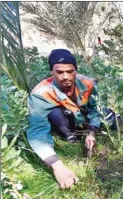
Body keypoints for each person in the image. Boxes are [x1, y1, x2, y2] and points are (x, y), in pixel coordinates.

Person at [26, 49, 101, 189]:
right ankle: (69, 135)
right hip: (62, 121)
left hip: (81, 117)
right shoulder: (40, 93)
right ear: (51, 72)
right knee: (55, 113)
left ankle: (86, 134)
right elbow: (37, 131)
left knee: (110, 116)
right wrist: (57, 166)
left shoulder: (88, 83)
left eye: (70, 71)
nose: (66, 76)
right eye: (59, 72)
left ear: (76, 70)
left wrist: (91, 132)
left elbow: (96, 110)